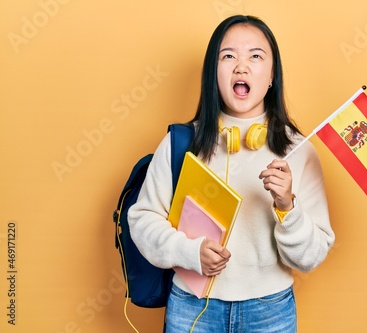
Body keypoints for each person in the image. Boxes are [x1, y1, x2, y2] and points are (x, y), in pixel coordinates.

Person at [128, 15, 335, 332]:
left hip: (270, 313)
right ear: (214, 73)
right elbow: (142, 221)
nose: (242, 66)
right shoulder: (181, 143)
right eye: (228, 56)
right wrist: (190, 252)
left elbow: (309, 258)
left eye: (255, 56)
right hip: (191, 308)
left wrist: (287, 207)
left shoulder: (299, 150)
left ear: (271, 76)